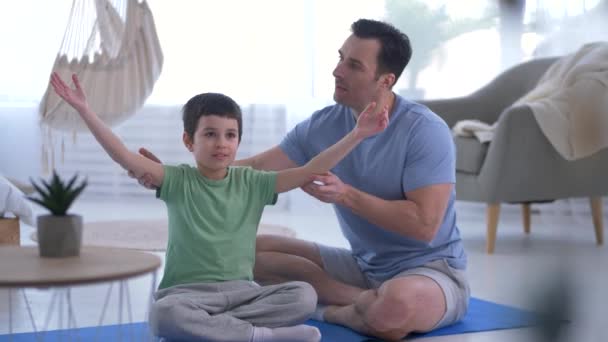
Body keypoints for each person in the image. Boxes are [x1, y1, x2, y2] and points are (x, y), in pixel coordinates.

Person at [134, 18, 469, 341]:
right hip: (362, 265)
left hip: (430, 270)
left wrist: (346, 195)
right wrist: (172, 177)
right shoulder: (324, 124)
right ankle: (358, 301)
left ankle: (335, 311)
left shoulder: (424, 131)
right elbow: (259, 167)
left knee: (395, 306)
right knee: (243, 251)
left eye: (354, 65)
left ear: (385, 81)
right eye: (340, 58)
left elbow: (424, 226)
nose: (337, 70)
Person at [49, 71, 389, 342]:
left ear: (239, 140)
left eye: (230, 135)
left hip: (242, 295)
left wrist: (357, 135)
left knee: (303, 295)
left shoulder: (253, 181)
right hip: (185, 295)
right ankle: (259, 335)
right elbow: (123, 155)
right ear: (189, 141)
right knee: (163, 314)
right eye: (210, 134)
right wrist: (84, 110)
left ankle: (220, 330)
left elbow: (310, 169)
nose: (221, 143)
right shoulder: (177, 180)